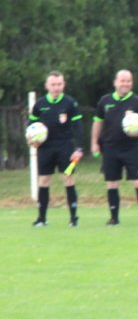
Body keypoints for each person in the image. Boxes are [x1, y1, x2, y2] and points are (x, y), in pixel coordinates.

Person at [91, 70, 138, 226]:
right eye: (122, 81)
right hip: (110, 148)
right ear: (115, 82)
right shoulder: (104, 101)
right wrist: (94, 142)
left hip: (131, 148)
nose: (125, 84)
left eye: (128, 81)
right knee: (111, 183)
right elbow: (98, 122)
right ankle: (114, 218)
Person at [28, 71, 83, 227]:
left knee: (68, 178)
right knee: (44, 180)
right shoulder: (39, 104)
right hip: (45, 148)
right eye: (53, 84)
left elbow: (78, 127)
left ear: (63, 85)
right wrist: (31, 139)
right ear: (47, 86)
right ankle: (41, 218)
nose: (56, 87)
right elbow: (30, 126)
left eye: (59, 84)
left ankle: (73, 219)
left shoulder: (70, 103)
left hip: (67, 148)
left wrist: (79, 148)